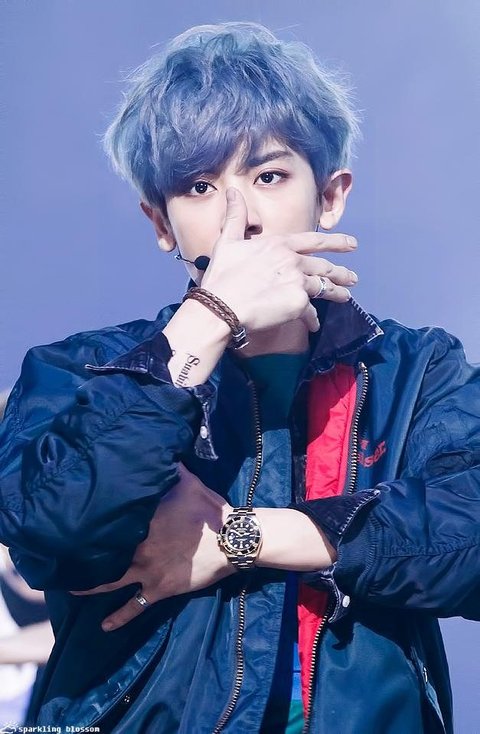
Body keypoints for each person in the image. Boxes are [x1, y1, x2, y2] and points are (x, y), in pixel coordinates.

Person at [0, 21, 478, 734]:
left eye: (269, 176)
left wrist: (239, 538)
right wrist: (210, 317)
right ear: (161, 224)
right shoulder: (82, 370)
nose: (240, 217)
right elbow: (49, 526)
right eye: (198, 187)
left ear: (331, 195)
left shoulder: (416, 372)